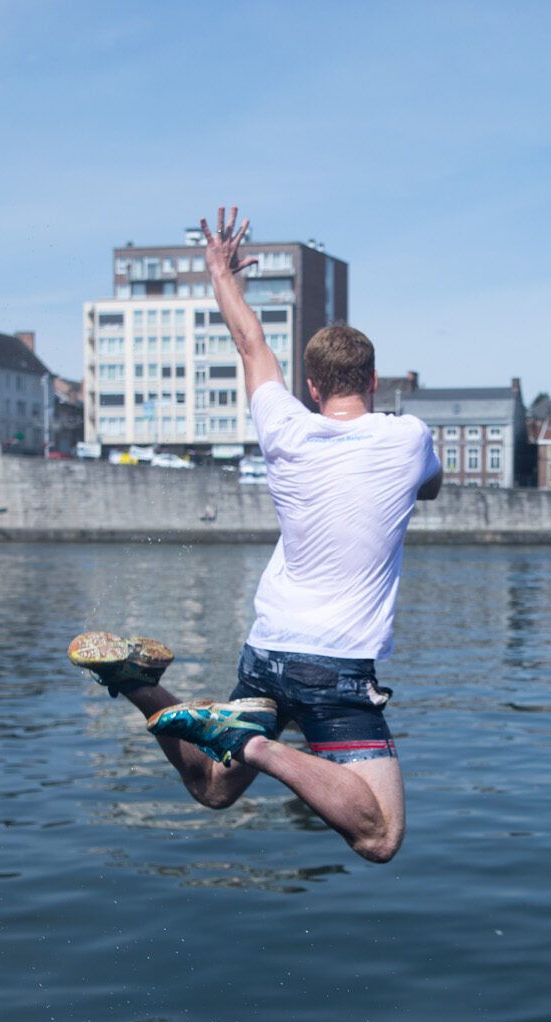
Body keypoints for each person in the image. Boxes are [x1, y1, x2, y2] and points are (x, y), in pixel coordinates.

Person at [68, 207, 442, 864]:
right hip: (334, 669)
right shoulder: (409, 439)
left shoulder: (283, 426)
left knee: (212, 792)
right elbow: (431, 486)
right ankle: (256, 744)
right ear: (375, 383)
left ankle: (133, 681)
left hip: (266, 649)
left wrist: (221, 271)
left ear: (311, 387)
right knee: (380, 836)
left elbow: (249, 343)